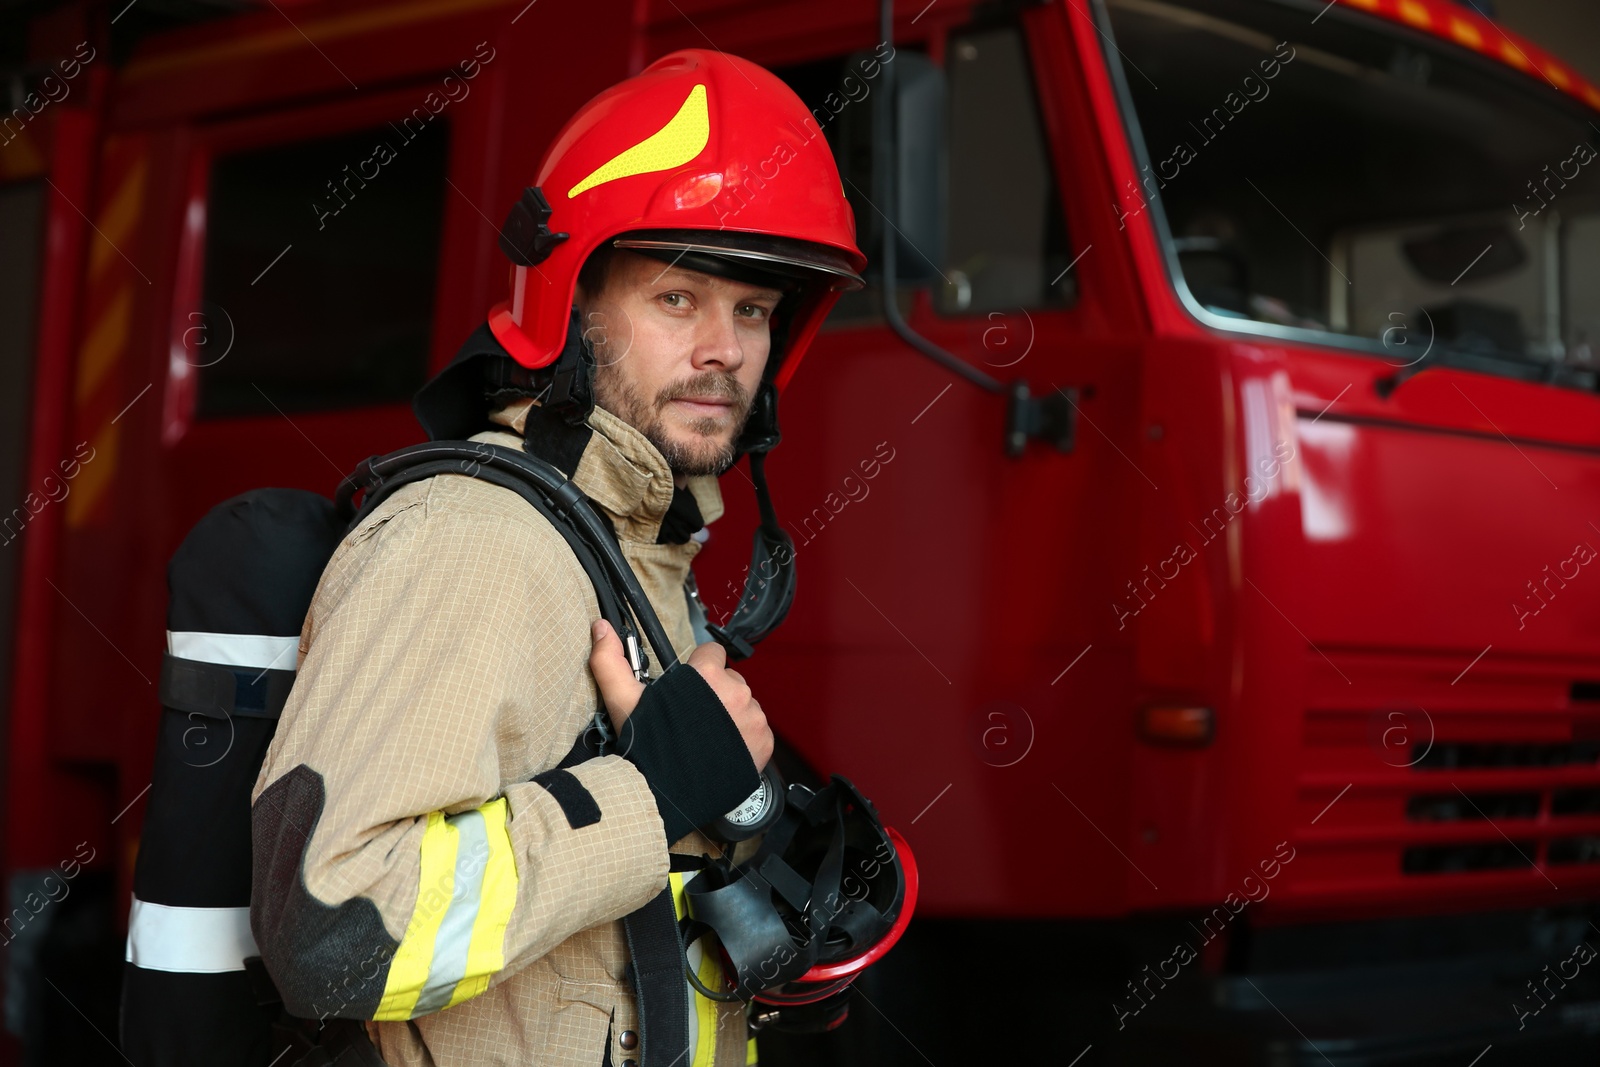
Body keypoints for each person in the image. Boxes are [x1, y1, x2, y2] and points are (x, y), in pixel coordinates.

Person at [249, 47, 866, 1067]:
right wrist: (647, 795)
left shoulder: (635, 548)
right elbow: (335, 934)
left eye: (753, 310)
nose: (726, 348)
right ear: (575, 308)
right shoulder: (473, 543)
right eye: (679, 298)